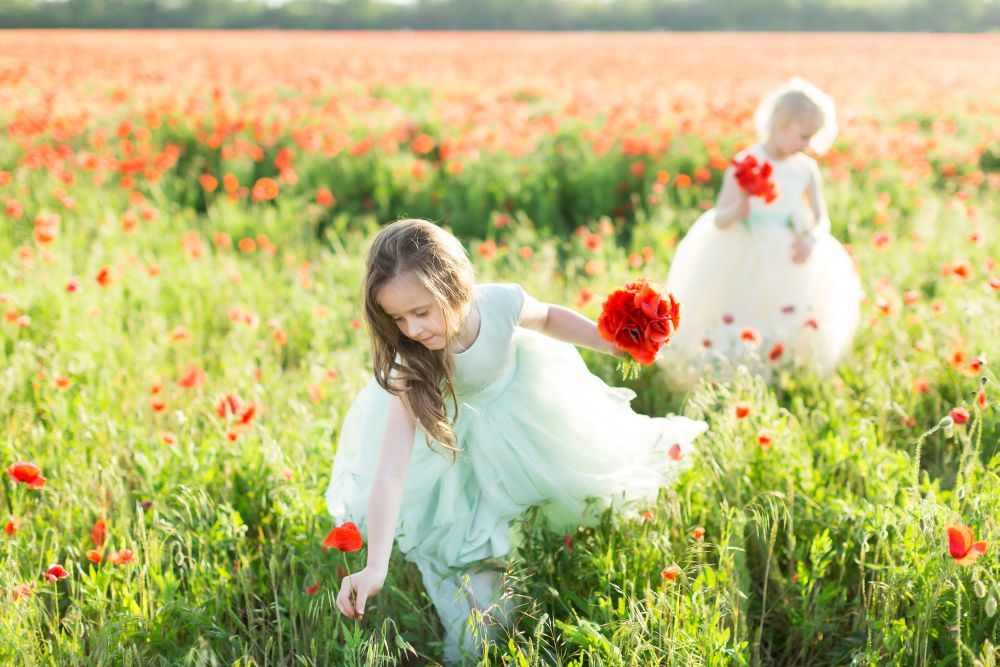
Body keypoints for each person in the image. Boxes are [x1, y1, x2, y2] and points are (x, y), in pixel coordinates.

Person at [325, 218, 707, 663]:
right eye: (397, 318)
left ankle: (551, 555)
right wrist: (375, 567)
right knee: (478, 587)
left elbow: (546, 317)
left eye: (421, 312)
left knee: (561, 492)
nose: (410, 330)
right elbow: (391, 470)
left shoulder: (499, 303)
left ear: (456, 287)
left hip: (524, 413)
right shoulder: (411, 364)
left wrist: (613, 344)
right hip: (455, 447)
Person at [661, 77, 863, 388]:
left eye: (812, 138)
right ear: (780, 125)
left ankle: (781, 373)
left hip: (789, 252)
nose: (807, 145)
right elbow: (719, 219)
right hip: (744, 250)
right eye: (803, 136)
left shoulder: (805, 168)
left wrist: (811, 239)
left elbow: (823, 219)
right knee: (740, 308)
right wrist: (737, 209)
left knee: (789, 310)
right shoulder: (746, 162)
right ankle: (730, 374)